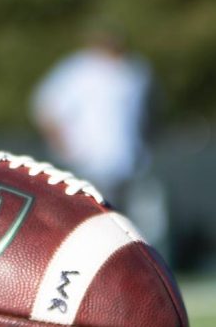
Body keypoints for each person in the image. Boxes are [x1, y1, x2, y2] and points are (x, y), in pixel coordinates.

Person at [30, 23, 159, 210]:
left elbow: (148, 113)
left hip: (131, 166)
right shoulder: (78, 70)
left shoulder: (136, 70)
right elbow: (46, 108)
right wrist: (66, 149)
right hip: (89, 166)